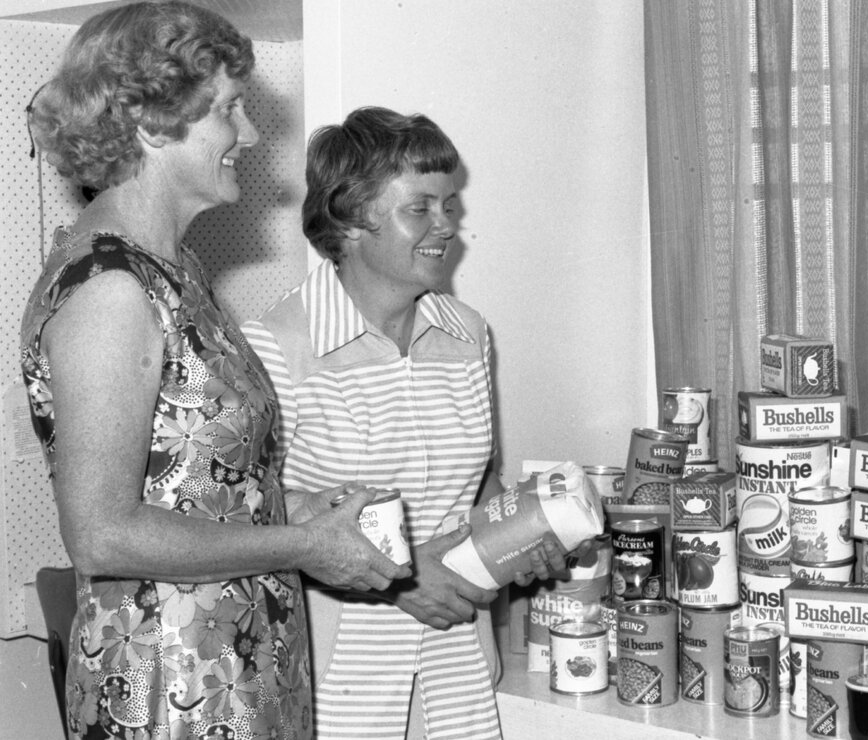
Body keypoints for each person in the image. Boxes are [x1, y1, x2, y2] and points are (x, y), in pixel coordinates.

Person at [20, 5, 410, 738]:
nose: (250, 134)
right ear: (151, 121)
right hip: (170, 688)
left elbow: (196, 487)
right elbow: (102, 534)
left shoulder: (176, 270)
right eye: (229, 109)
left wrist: (298, 508)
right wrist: (304, 546)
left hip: (237, 668)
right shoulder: (112, 288)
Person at [242, 106, 568, 739]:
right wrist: (399, 581)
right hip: (337, 674)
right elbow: (252, 517)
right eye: (419, 208)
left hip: (458, 662)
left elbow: (479, 486)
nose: (447, 226)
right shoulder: (274, 347)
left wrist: (522, 539)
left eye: (449, 206)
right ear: (350, 219)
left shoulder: (467, 334)